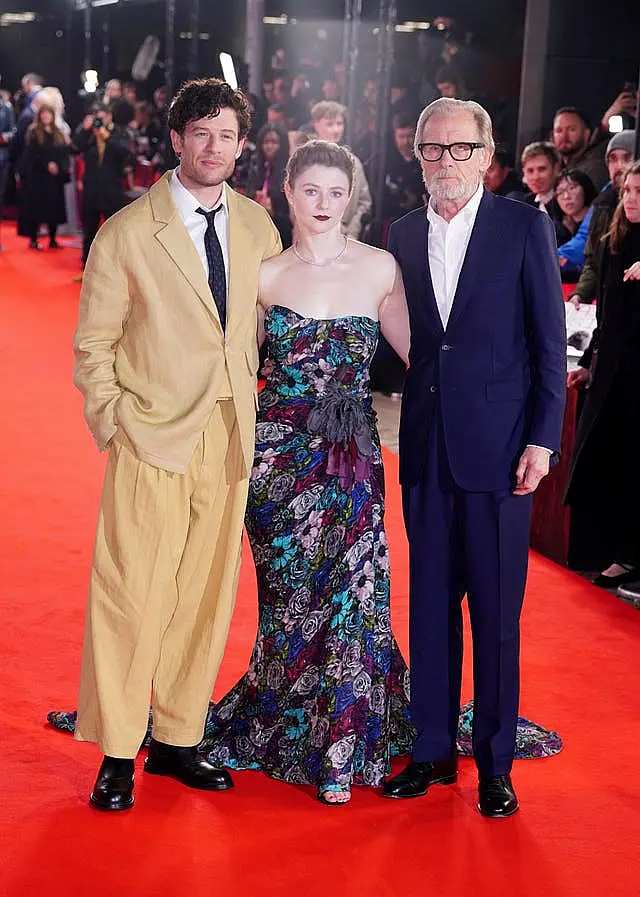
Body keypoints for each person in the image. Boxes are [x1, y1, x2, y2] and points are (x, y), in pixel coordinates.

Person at [71, 77, 281, 812]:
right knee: (132, 594)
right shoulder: (127, 231)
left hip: (228, 438)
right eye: (201, 133)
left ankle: (178, 735)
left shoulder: (259, 227)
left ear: (241, 143)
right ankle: (119, 748)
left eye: (226, 134)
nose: (214, 147)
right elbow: (92, 347)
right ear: (175, 140)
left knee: (204, 594)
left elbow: (271, 325)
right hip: (152, 436)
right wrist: (118, 420)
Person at [201, 139, 414, 805]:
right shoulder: (262, 275)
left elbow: (430, 359)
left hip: (353, 459)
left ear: (353, 199)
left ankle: (341, 751)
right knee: (290, 604)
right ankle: (289, 726)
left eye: (337, 192)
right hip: (278, 461)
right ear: (287, 194)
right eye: (312, 190)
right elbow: (230, 368)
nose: (324, 204)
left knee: (356, 596)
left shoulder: (381, 268)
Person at [382, 98, 566, 817]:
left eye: (461, 149)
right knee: (429, 610)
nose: (446, 162)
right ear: (418, 155)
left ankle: (494, 762)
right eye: (433, 148)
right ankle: (430, 750)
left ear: (488, 155)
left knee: (495, 614)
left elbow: (549, 347)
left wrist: (542, 440)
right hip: (426, 448)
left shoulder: (525, 227)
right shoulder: (397, 234)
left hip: (500, 454)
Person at [565, 162, 640, 589]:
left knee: (630, 462)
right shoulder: (616, 242)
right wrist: (590, 362)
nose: (630, 199)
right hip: (610, 369)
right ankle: (602, 550)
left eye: (639, 192)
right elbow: (608, 315)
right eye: (627, 190)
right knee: (601, 459)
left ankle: (628, 555)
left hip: (635, 378)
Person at [568, 130, 635, 306]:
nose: (619, 166)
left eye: (627, 157)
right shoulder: (602, 205)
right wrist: (580, 294)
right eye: (612, 159)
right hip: (610, 312)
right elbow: (594, 261)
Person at [73, 101, 135, 266]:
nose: (98, 121)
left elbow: (125, 153)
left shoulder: (119, 133)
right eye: (95, 118)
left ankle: (113, 264)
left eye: (101, 117)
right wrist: (85, 130)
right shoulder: (89, 135)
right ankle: (86, 263)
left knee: (113, 229)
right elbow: (74, 148)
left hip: (112, 188)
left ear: (109, 116)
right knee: (89, 229)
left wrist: (105, 136)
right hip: (91, 187)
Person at [310, 101, 372, 239]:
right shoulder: (305, 161)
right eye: (330, 124)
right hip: (313, 235)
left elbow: (364, 203)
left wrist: (352, 231)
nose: (336, 129)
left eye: (339, 123)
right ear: (316, 125)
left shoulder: (353, 162)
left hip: (347, 237)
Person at [20, 103, 70, 249]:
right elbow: (31, 154)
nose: (46, 116)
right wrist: (46, 164)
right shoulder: (34, 132)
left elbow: (64, 153)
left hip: (55, 179)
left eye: (48, 114)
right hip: (38, 177)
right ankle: (33, 239)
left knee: (54, 208)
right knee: (36, 208)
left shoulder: (58, 132)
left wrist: (59, 166)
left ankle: (53, 239)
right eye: (43, 114)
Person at [247, 122, 292, 248]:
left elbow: (293, 216)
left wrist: (273, 212)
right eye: (266, 142)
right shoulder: (256, 167)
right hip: (257, 230)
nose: (269, 146)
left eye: (274, 142)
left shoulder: (289, 172)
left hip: (282, 232)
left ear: (282, 145)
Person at [554, 169, 597, 279]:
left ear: (585, 188)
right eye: (560, 192)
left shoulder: (596, 219)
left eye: (572, 188)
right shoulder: (561, 228)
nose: (566, 197)